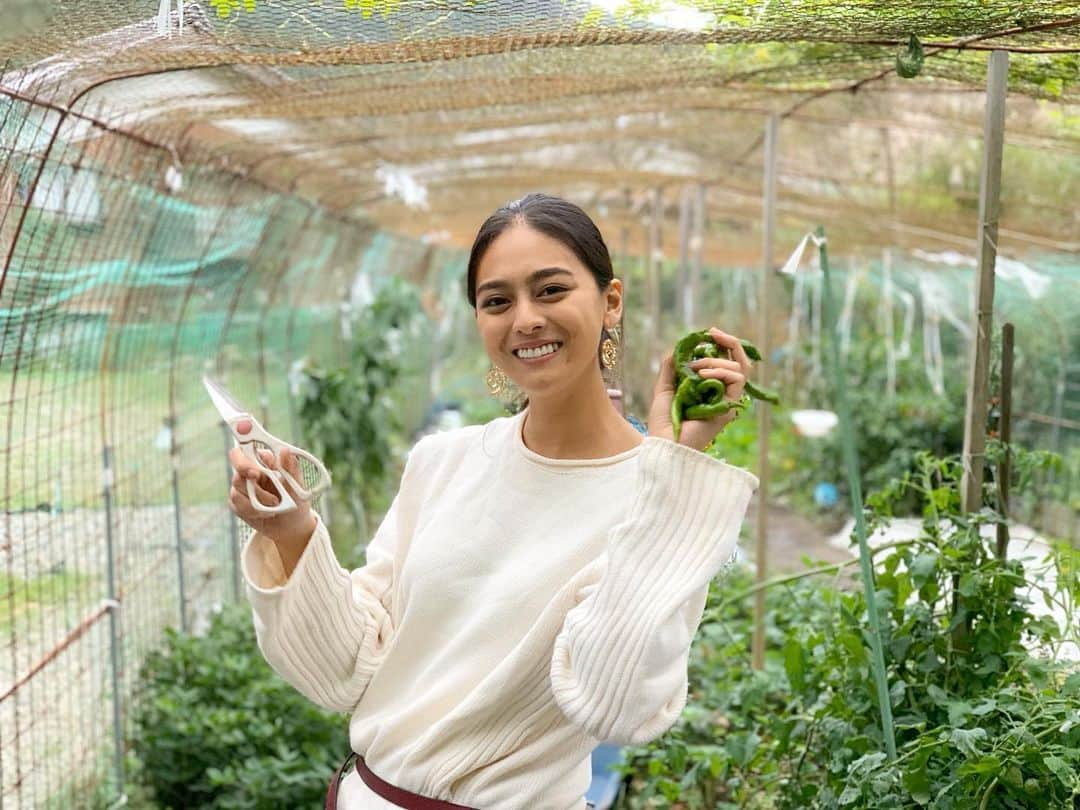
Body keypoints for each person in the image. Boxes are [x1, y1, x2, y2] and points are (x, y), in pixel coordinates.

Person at [227, 193, 758, 810]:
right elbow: (346, 669)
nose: (525, 319)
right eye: (497, 301)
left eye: (552, 290)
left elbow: (615, 704)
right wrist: (291, 531)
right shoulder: (443, 462)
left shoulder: (660, 502)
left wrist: (675, 471)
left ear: (611, 301)